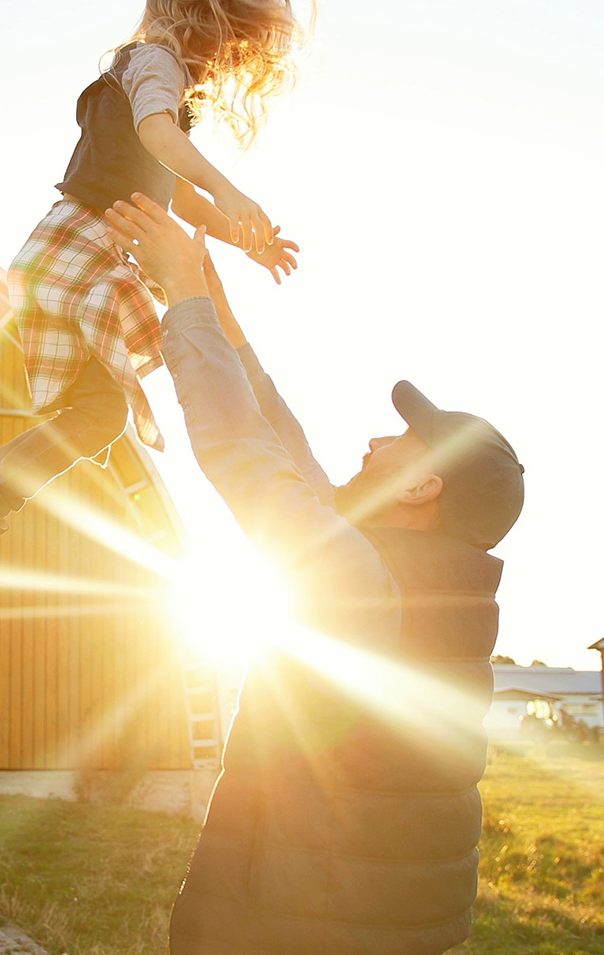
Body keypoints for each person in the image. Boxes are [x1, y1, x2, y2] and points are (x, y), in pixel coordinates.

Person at [102, 193, 524, 955]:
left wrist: (188, 305)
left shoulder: (363, 583)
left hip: (300, 929)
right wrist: (211, 310)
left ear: (422, 487)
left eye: (400, 441)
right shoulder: (415, 587)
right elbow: (282, 440)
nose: (373, 440)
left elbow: (245, 456)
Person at [0, 0, 311, 608]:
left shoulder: (161, 86)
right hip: (77, 251)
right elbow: (158, 135)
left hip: (83, 255)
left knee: (99, 413)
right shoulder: (152, 64)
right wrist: (231, 187)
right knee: (101, 413)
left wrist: (249, 244)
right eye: (227, 42)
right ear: (199, 23)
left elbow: (177, 191)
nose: (224, 62)